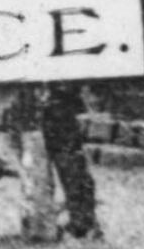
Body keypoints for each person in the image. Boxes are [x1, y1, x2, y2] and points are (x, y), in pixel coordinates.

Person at [37, 81, 102, 240]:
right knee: (66, 168)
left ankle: (82, 222)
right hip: (53, 110)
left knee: (71, 167)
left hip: (60, 111)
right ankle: (81, 219)